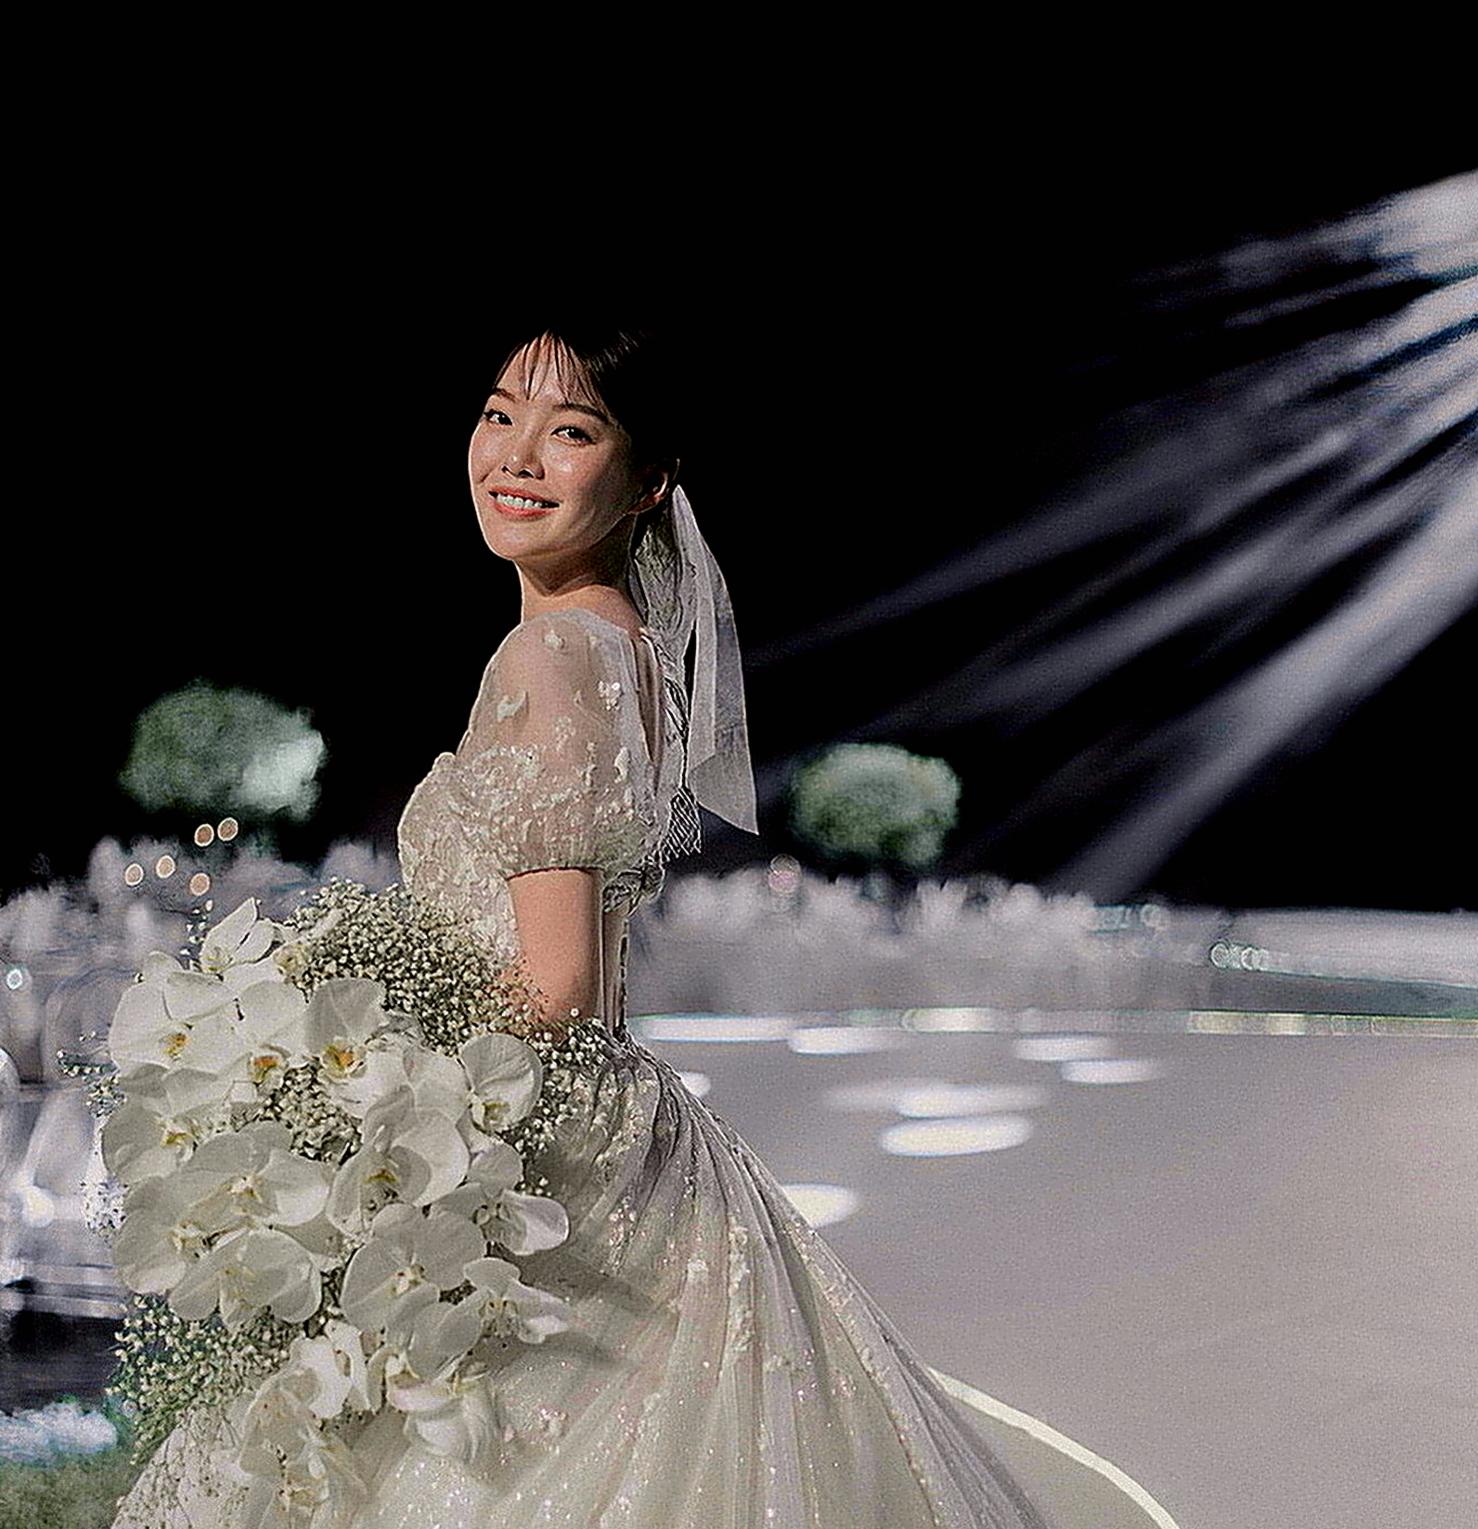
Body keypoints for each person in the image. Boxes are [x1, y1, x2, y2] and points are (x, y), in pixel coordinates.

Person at [100, 325, 1179, 1527]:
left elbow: (555, 984)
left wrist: (348, 1106)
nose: (516, 455)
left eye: (570, 429)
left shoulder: (554, 652)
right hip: (602, 1115)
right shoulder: (627, 646)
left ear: (648, 476)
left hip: (527, 1127)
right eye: (500, 414)